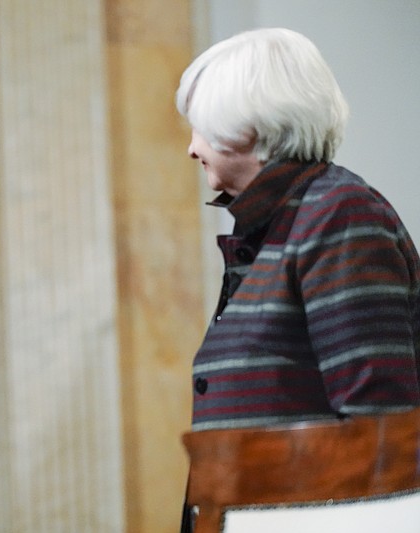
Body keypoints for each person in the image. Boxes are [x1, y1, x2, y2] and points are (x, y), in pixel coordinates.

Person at [176, 26, 420, 532]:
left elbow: (379, 427)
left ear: (249, 126)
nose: (192, 148)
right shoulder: (281, 222)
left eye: (200, 125)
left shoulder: (338, 214)